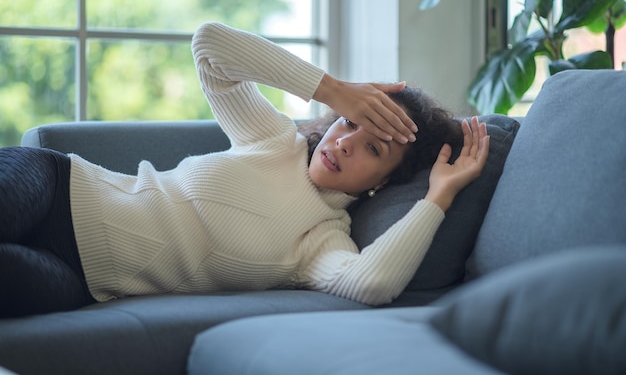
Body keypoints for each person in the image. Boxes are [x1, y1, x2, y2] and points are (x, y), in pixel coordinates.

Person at [0, 22, 489, 318]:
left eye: (373, 150)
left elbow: (373, 284)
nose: (343, 142)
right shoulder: (276, 139)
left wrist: (437, 198)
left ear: (381, 184)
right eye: (349, 124)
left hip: (79, 280)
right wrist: (334, 90)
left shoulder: (321, 242)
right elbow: (210, 45)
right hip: (58, 186)